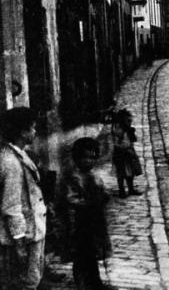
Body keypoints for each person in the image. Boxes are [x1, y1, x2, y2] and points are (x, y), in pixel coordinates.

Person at [0, 107, 47, 290]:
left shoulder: (17, 153)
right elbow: (10, 206)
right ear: (22, 132)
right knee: (27, 282)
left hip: (32, 229)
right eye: (32, 128)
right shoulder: (11, 162)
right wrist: (19, 244)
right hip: (24, 235)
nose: (35, 132)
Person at [60, 137, 112, 290]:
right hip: (80, 222)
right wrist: (88, 203)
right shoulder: (73, 177)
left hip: (95, 221)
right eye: (85, 158)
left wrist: (104, 197)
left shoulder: (94, 176)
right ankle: (81, 284)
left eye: (92, 157)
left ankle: (95, 281)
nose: (88, 161)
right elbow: (70, 199)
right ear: (77, 158)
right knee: (81, 255)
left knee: (93, 254)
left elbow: (102, 192)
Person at [111, 109, 143, 198]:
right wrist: (125, 149)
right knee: (121, 173)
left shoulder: (128, 130)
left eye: (130, 121)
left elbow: (131, 140)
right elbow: (117, 143)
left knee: (131, 172)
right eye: (128, 121)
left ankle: (131, 188)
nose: (130, 122)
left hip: (129, 152)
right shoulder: (118, 130)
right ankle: (121, 190)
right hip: (121, 154)